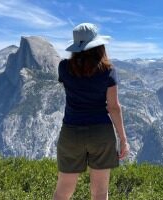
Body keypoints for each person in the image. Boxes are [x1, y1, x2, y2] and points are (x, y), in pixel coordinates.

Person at [53, 23, 130, 200]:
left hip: (71, 132)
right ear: (99, 46)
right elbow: (113, 107)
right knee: (100, 193)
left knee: (63, 191)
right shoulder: (108, 71)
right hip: (101, 134)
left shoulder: (64, 67)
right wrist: (123, 139)